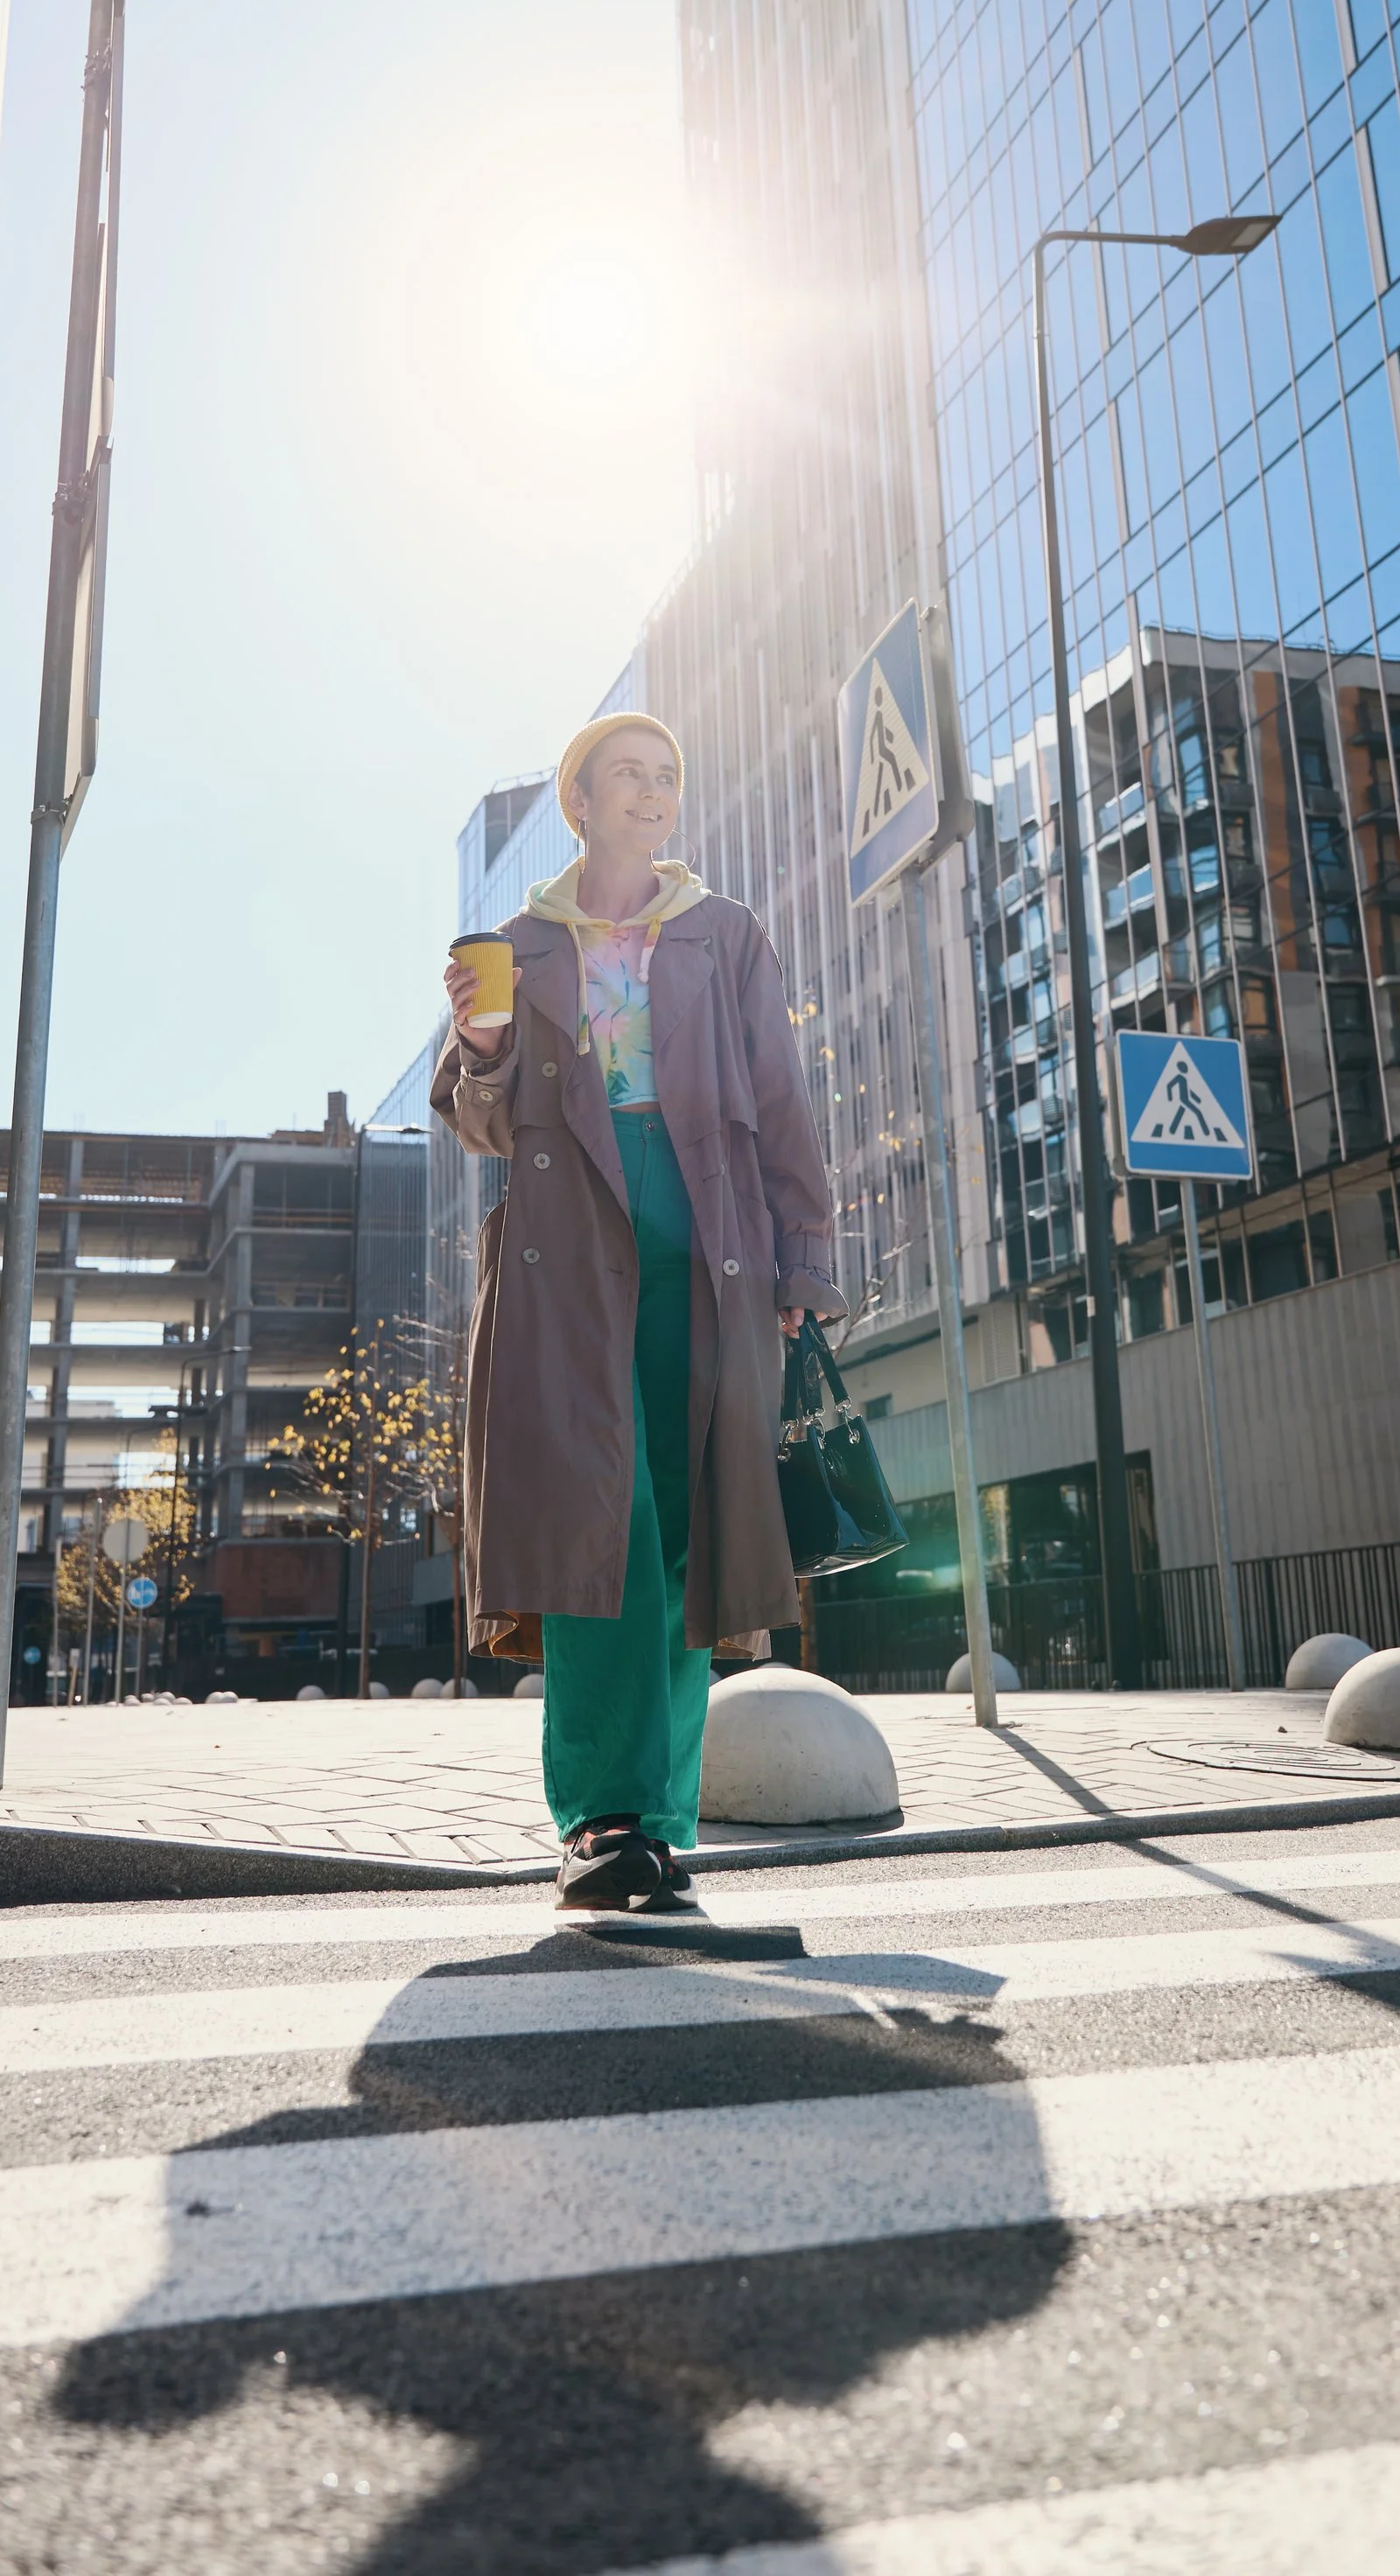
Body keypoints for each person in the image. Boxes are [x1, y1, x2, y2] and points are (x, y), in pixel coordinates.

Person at [432, 714, 842, 1910]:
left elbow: (781, 1098)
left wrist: (801, 1264)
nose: (655, 793)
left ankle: (663, 1819)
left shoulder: (726, 935)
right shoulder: (522, 942)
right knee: (598, 1529)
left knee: (685, 1535)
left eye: (667, 775)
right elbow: (484, 1123)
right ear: (582, 799)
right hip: (572, 1248)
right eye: (630, 776)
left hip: (714, 1245)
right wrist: (485, 1039)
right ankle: (602, 1816)